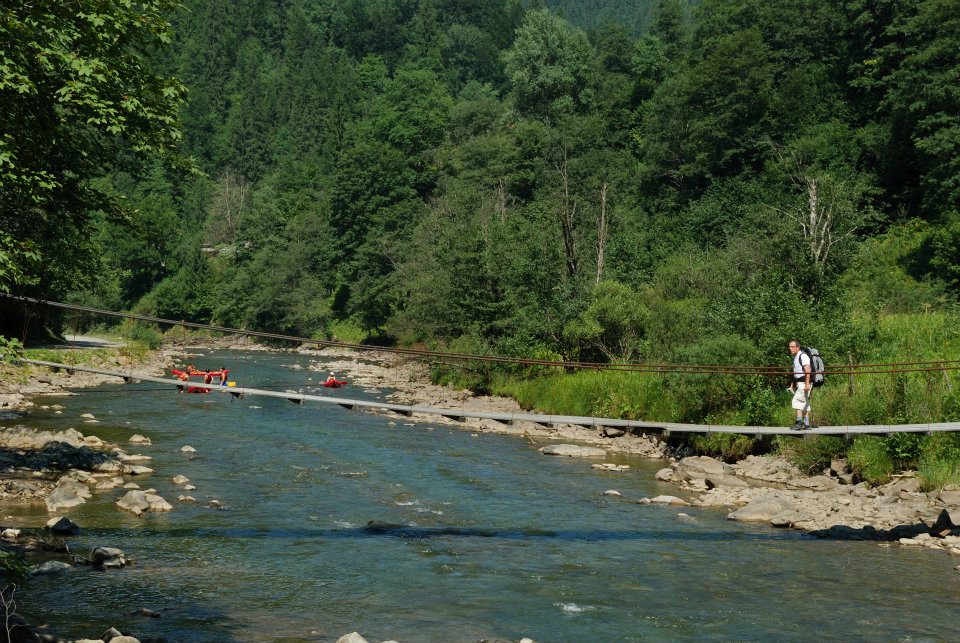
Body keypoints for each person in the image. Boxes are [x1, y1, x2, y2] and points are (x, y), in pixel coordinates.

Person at [788, 340, 815, 430]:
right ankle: (806, 424)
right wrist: (793, 383)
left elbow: (807, 370)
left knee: (796, 401)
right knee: (805, 403)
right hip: (800, 382)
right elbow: (797, 372)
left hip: (804, 383)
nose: (790, 349)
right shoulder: (796, 357)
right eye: (790, 347)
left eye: (792, 347)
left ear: (797, 347)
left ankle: (799, 423)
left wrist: (807, 384)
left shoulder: (803, 356)